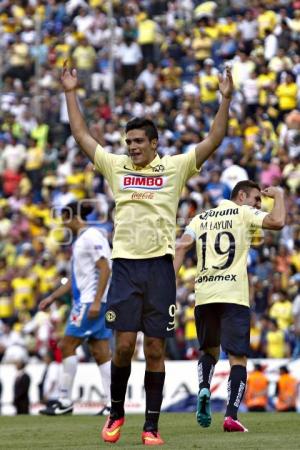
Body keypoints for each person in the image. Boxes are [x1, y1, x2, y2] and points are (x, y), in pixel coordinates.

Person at [61, 60, 233, 445]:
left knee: (155, 348)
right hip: (124, 268)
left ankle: (151, 427)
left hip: (159, 269)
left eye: (139, 141)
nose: (133, 147)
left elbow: (214, 140)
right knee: (123, 345)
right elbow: (81, 134)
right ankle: (117, 413)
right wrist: (71, 92)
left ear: (154, 144)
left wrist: (225, 100)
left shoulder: (174, 168)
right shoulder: (116, 166)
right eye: (129, 142)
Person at [174, 181, 285, 432]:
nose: (258, 205)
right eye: (256, 199)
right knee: (237, 358)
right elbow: (278, 222)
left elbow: (181, 246)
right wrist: (278, 195)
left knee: (209, 351)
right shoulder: (243, 212)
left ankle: (204, 387)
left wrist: (169, 287)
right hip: (233, 295)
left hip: (204, 294)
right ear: (241, 196)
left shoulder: (200, 218)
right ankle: (231, 416)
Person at [39, 201, 112, 416]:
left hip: (90, 301)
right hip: (92, 299)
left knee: (66, 345)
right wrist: (52, 297)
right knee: (100, 351)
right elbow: (76, 278)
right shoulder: (83, 239)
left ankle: (64, 400)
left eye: (64, 217)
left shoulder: (91, 237)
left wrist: (97, 301)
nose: (63, 223)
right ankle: (112, 404)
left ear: (72, 217)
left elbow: (105, 267)